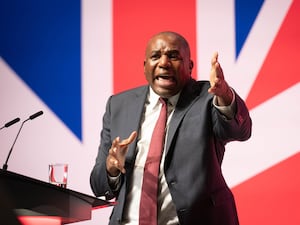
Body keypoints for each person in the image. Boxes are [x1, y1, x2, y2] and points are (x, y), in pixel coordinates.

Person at [90, 31, 252, 225]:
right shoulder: (118, 105)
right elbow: (98, 186)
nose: (164, 63)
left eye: (173, 56)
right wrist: (111, 169)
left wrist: (225, 94)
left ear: (190, 66)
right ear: (145, 66)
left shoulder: (208, 98)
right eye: (155, 56)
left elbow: (240, 131)